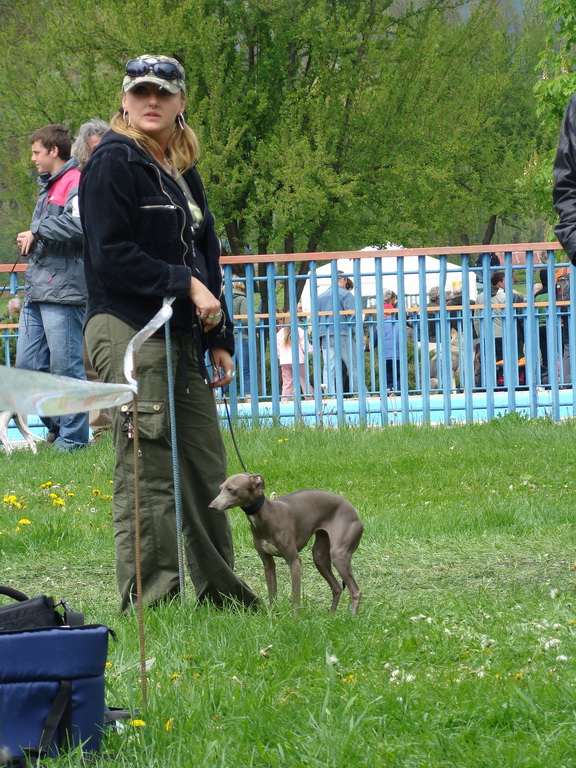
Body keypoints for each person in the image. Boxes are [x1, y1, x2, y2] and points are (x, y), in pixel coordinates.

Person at [80, 54, 259, 612]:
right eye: (140, 92)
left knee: (208, 466)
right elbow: (111, 257)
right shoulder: (111, 162)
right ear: (124, 101)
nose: (150, 101)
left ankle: (221, 597)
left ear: (181, 102)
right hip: (129, 330)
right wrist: (184, 283)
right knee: (149, 469)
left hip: (184, 335)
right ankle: (152, 602)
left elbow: (206, 257)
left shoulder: (181, 170)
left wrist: (218, 336)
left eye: (162, 92)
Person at [15, 124, 89, 451]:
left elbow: (79, 225)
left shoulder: (75, 181)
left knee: (66, 369)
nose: (32, 158)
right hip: (37, 290)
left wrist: (38, 230)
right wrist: (32, 236)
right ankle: (58, 428)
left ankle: (73, 441)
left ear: (54, 151)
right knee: (27, 369)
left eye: (36, 152)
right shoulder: (47, 186)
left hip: (64, 291)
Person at [73, 119, 114, 441]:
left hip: (107, 291)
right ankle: (88, 431)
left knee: (101, 365)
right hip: (82, 289)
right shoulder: (80, 182)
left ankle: (109, 429)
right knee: (84, 366)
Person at [317, 271, 358, 395]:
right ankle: (363, 394)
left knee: (328, 368)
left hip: (325, 334)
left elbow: (317, 319)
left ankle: (330, 395)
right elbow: (352, 316)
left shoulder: (321, 296)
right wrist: (356, 334)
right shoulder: (346, 294)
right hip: (343, 332)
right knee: (353, 366)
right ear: (343, 280)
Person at [276, 320, 314, 401]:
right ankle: (310, 399)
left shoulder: (280, 333)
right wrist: (315, 349)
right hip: (298, 360)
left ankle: (285, 403)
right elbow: (306, 347)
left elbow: (277, 349)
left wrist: (280, 357)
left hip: (284, 361)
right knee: (304, 381)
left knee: (287, 383)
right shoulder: (300, 331)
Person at [231, 276, 251, 400]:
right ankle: (248, 397)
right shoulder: (242, 299)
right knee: (246, 372)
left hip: (226, 337)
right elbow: (245, 320)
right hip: (241, 337)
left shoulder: (223, 299)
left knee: (226, 371)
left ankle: (218, 395)